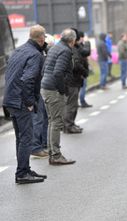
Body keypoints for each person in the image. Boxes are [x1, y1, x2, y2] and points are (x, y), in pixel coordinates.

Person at [3, 24, 47, 184]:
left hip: (10, 99)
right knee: (27, 137)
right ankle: (22, 173)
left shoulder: (20, 50)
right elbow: (28, 79)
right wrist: (29, 102)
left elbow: (10, 74)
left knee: (20, 138)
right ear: (42, 38)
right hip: (21, 100)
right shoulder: (35, 55)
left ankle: (24, 169)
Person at [41, 28, 77, 165]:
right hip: (54, 90)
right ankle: (56, 155)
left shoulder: (55, 47)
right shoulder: (65, 50)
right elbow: (58, 73)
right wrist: (62, 90)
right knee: (56, 122)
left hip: (46, 87)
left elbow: (45, 69)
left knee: (52, 121)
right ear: (72, 40)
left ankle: (52, 153)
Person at [63, 28, 90, 134]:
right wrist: (84, 72)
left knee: (73, 104)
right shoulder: (72, 49)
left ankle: (71, 123)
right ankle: (68, 125)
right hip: (72, 81)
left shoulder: (75, 47)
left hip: (75, 80)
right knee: (71, 104)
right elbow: (76, 65)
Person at [79, 32, 93, 108]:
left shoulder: (78, 46)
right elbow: (87, 52)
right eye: (82, 37)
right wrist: (87, 42)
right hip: (81, 70)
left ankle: (81, 101)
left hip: (81, 69)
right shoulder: (79, 46)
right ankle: (82, 101)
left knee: (81, 87)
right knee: (83, 87)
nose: (83, 39)